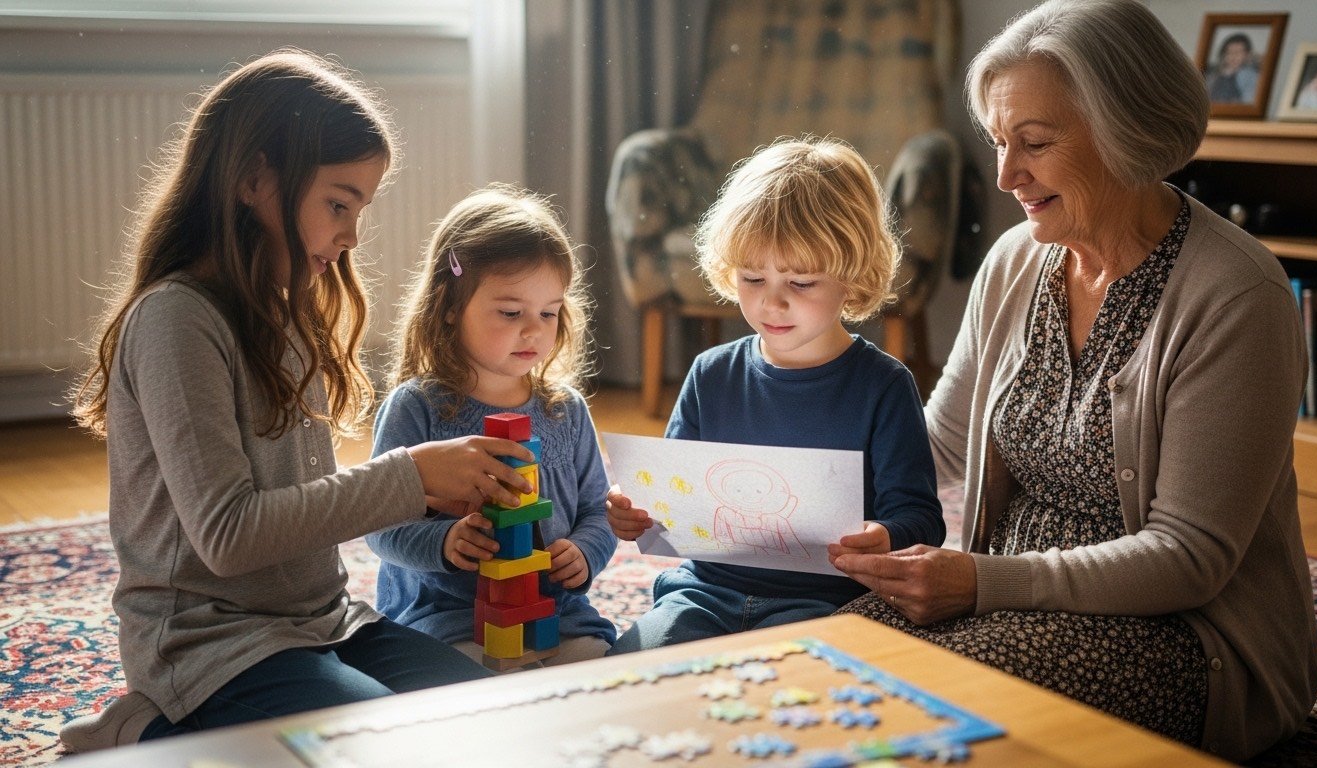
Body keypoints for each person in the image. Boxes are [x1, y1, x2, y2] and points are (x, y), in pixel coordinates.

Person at [829, 0, 1317, 762]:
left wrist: (983, 584)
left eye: (1035, 143)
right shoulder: (1017, 260)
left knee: (934, 708)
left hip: (1184, 635)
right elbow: (941, 442)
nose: (1004, 175)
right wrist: (793, 495)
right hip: (999, 588)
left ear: (1126, 128)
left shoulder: (1237, 296)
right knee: (825, 656)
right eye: (998, 142)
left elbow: (1189, 556)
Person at [62, 49, 535, 750]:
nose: (350, 237)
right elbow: (229, 535)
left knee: (494, 719)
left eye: (359, 209)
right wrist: (411, 477)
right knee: (381, 747)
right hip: (212, 642)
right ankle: (159, 716)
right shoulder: (176, 320)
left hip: (326, 620)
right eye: (338, 204)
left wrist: (434, 493)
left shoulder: (288, 308)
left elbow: (300, 503)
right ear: (255, 179)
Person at [606, 137, 947, 653]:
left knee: (806, 684)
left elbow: (922, 518)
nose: (773, 301)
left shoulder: (885, 386)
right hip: (703, 592)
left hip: (828, 604)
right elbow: (673, 505)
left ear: (851, 279)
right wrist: (638, 516)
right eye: (752, 277)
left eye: (802, 282)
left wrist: (884, 535)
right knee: (631, 668)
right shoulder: (710, 374)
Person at [366, 186, 617, 666]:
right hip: (445, 615)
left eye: (549, 312)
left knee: (598, 675)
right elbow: (378, 525)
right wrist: (444, 541)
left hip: (557, 611)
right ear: (449, 306)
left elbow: (597, 510)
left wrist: (585, 551)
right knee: (474, 697)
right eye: (510, 312)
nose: (535, 329)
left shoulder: (566, 409)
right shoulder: (418, 407)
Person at [1205, 32, 1258, 104]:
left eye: (1238, 52)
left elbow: (1248, 103)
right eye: (1229, 52)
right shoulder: (1213, 75)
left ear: (1247, 55)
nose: (1233, 56)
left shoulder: (1250, 76)